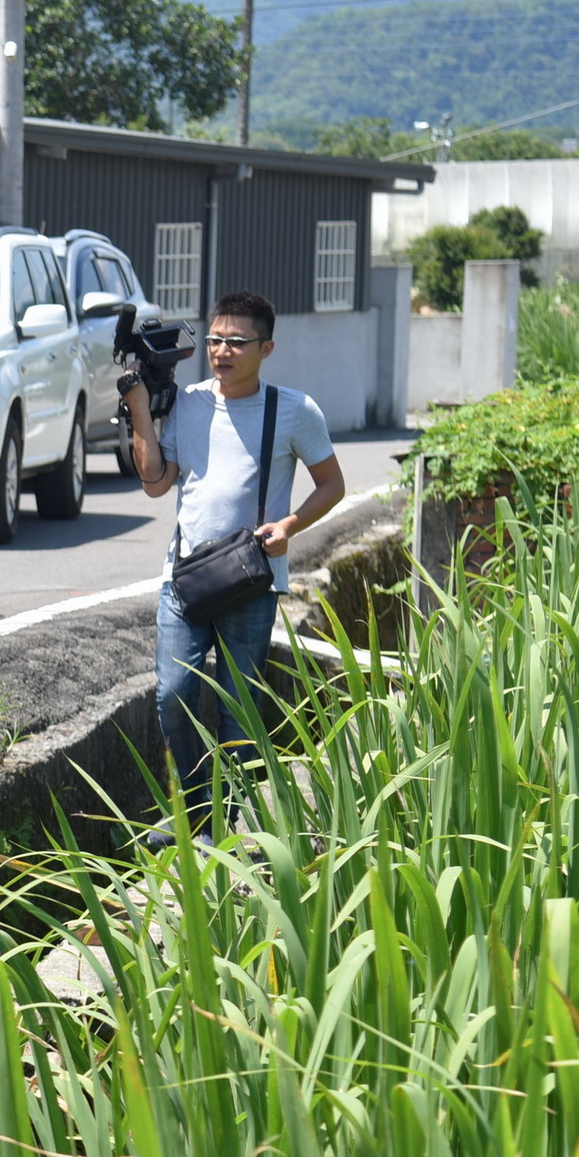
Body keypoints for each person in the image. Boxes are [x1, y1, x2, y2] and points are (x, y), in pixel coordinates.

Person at [122, 288, 346, 839]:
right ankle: (193, 815)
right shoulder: (191, 401)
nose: (222, 350)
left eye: (236, 342)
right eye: (216, 339)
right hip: (187, 577)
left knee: (238, 709)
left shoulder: (293, 409)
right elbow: (156, 484)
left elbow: (333, 485)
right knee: (173, 693)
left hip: (250, 578)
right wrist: (138, 414)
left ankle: (228, 825)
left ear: (266, 348)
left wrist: (289, 526)